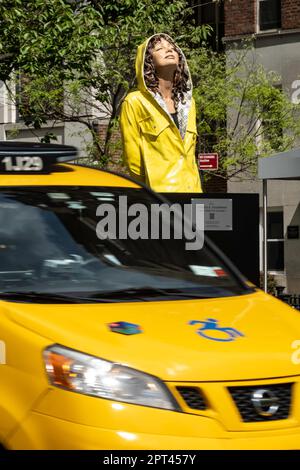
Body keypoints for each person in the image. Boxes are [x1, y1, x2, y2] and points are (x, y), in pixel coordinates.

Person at [120, 33, 202, 193]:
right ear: (148, 60)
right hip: (160, 197)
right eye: (160, 48)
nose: (169, 50)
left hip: (193, 194)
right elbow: (133, 161)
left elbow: (190, 157)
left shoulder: (189, 103)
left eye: (172, 48)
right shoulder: (134, 102)